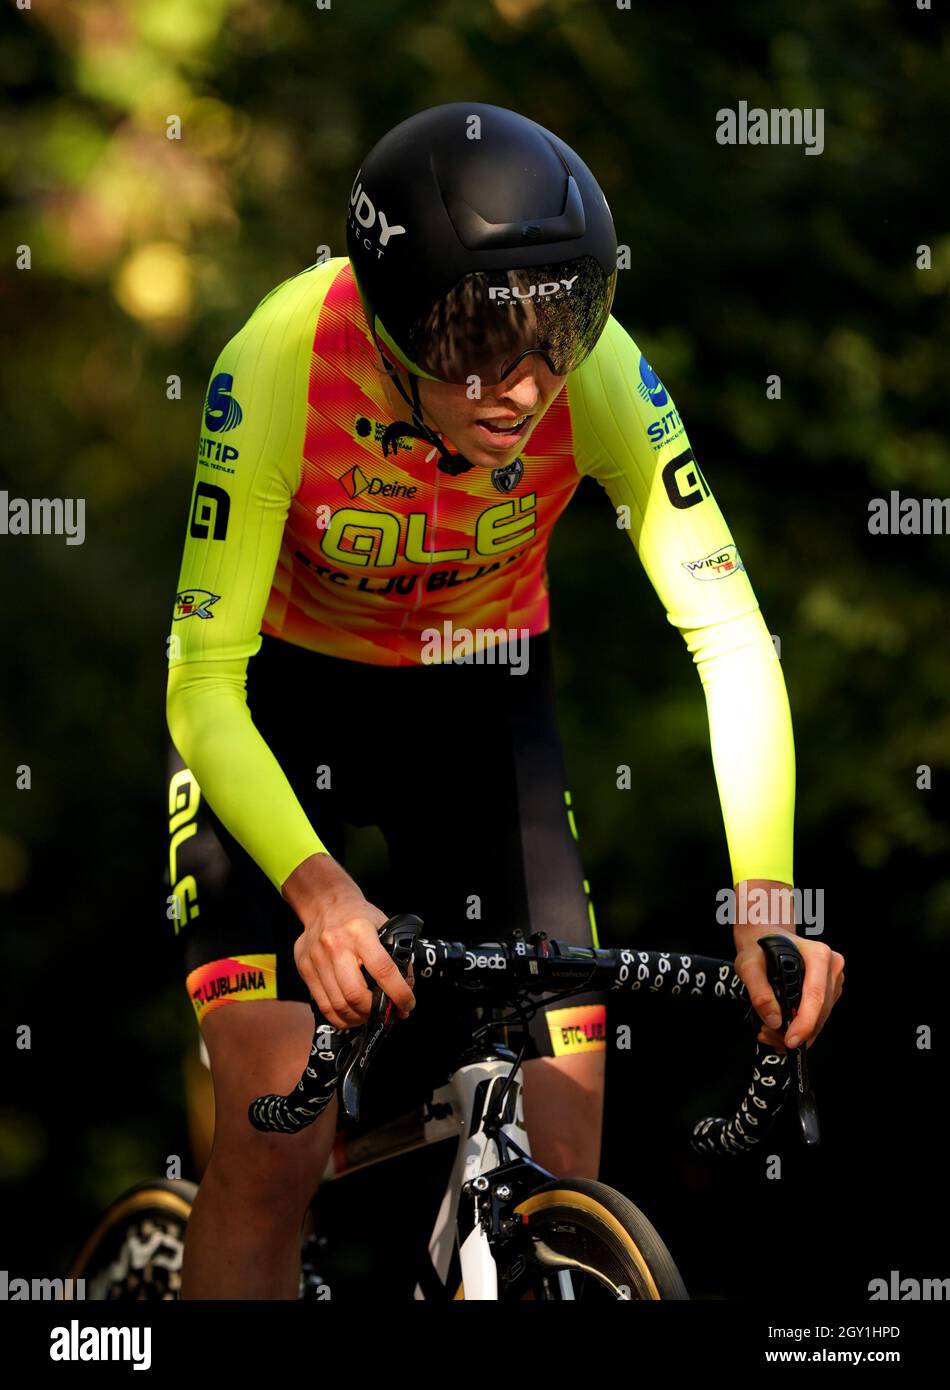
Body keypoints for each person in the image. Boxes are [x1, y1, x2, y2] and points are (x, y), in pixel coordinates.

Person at [164, 101, 844, 1300]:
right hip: (276, 710)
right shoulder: (279, 359)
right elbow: (202, 680)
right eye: (478, 342)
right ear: (390, 323)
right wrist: (320, 896)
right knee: (277, 1145)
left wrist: (766, 903)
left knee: (563, 1159)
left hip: (478, 704)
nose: (523, 389)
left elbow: (729, 634)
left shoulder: (605, 380)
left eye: (557, 335)